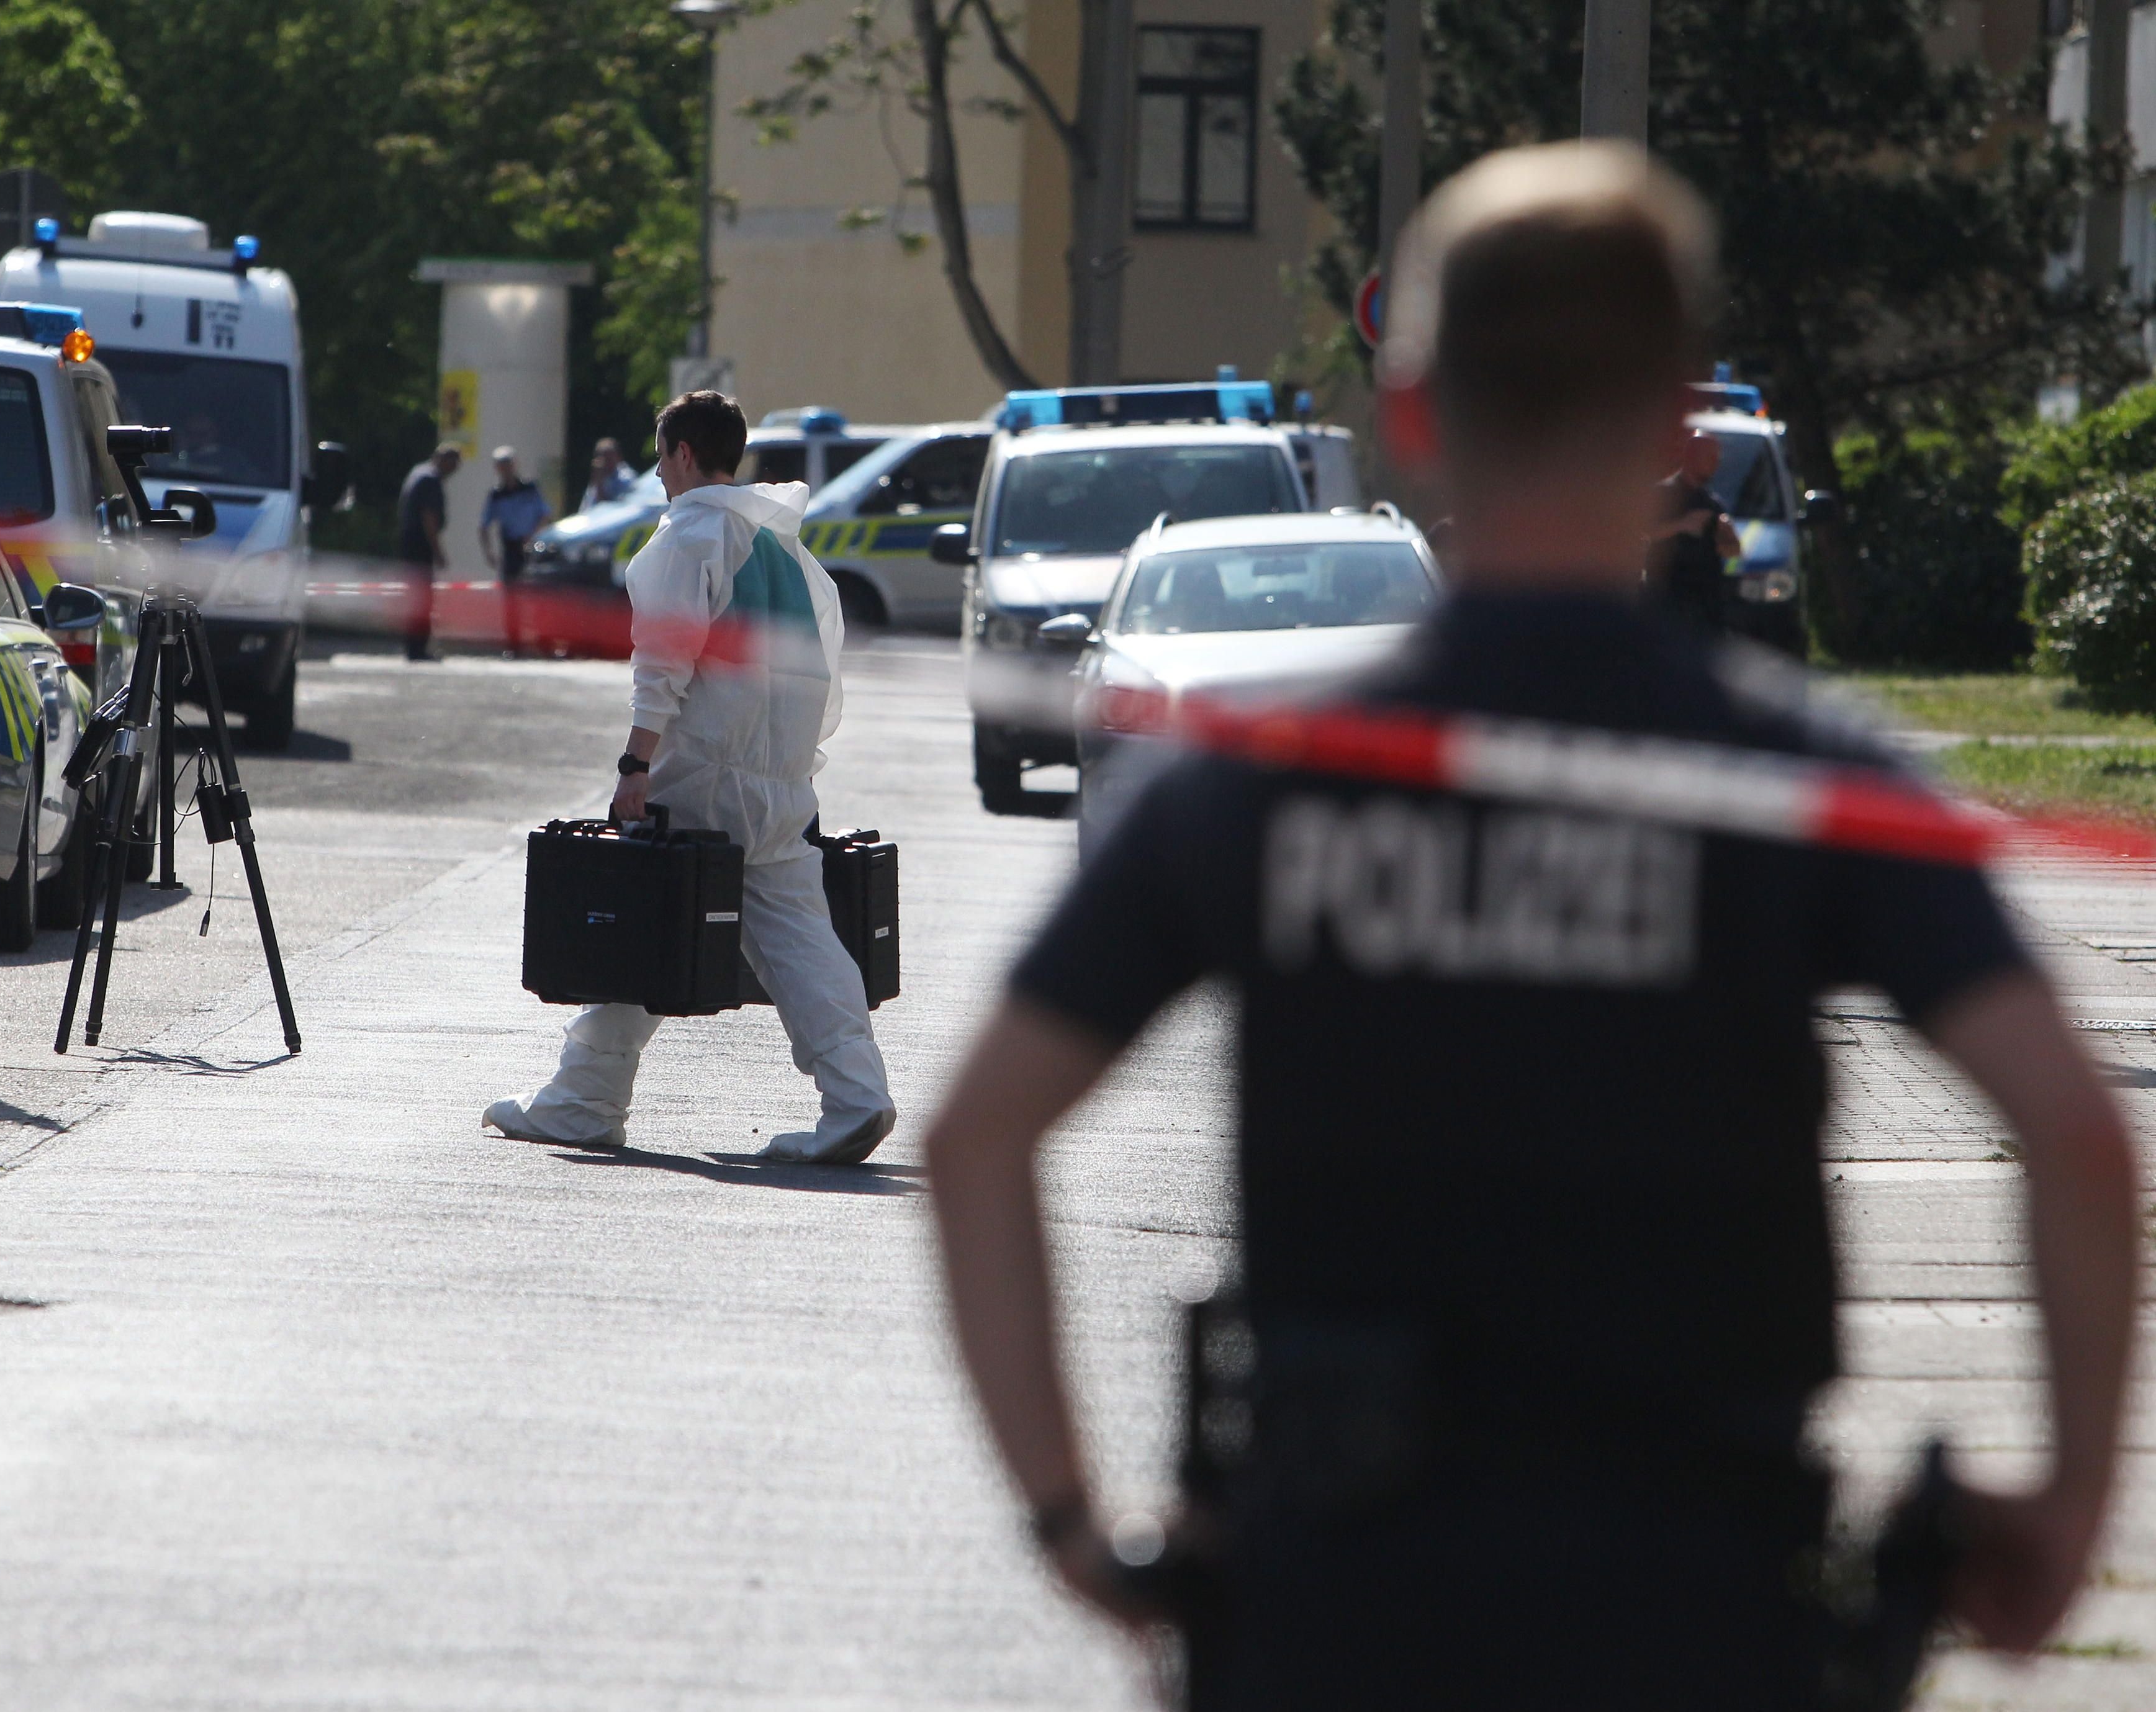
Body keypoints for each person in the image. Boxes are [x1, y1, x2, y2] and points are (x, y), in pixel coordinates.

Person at [922, 142, 2136, 1707]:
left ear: (1413, 415)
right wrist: (2067, 1505)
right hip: (1701, 1602)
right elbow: (2076, 1134)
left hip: (1332, 1602)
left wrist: (1072, 1525)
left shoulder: (1254, 788)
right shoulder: (1808, 782)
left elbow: (977, 1138)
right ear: (1682, 422)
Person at [485, 391, 894, 1164]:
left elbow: (663, 667)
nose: (658, 471)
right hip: (778, 783)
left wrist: (636, 765)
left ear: (679, 454)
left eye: (659, 453)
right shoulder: (778, 545)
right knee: (806, 945)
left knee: (640, 921)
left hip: (704, 775)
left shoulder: (690, 537)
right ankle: (856, 1097)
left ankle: (585, 1100)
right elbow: (823, 671)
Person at [1647, 426, 1742, 634]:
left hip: (1705, 606)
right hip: (1667, 600)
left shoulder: (1712, 503)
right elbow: (1644, 533)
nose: (1716, 464)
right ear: (1691, 458)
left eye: (1717, 458)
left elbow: (1733, 551)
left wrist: (1727, 537)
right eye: (1710, 457)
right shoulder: (1664, 495)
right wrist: (1682, 525)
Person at [479, 446, 554, 652]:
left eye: (508, 464)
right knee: (511, 599)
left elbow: (545, 514)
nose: (506, 469)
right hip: (511, 548)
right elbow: (484, 526)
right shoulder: (496, 495)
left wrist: (534, 535)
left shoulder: (530, 488)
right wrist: (489, 553)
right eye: (501, 465)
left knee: (539, 596)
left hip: (532, 547)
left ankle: (544, 642)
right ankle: (514, 645)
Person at [395, 442, 461, 662]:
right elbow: (429, 517)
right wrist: (438, 550)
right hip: (419, 545)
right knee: (423, 598)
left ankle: (414, 646)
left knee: (415, 596)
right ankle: (418, 648)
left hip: (409, 543)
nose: (453, 471)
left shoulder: (419, 473)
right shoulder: (431, 479)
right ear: (445, 460)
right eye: (454, 465)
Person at [577, 436, 636, 512]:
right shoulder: (599, 477)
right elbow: (586, 507)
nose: (603, 462)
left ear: (618, 457)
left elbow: (610, 509)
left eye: (608, 457)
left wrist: (599, 484)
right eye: (600, 456)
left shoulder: (626, 478)